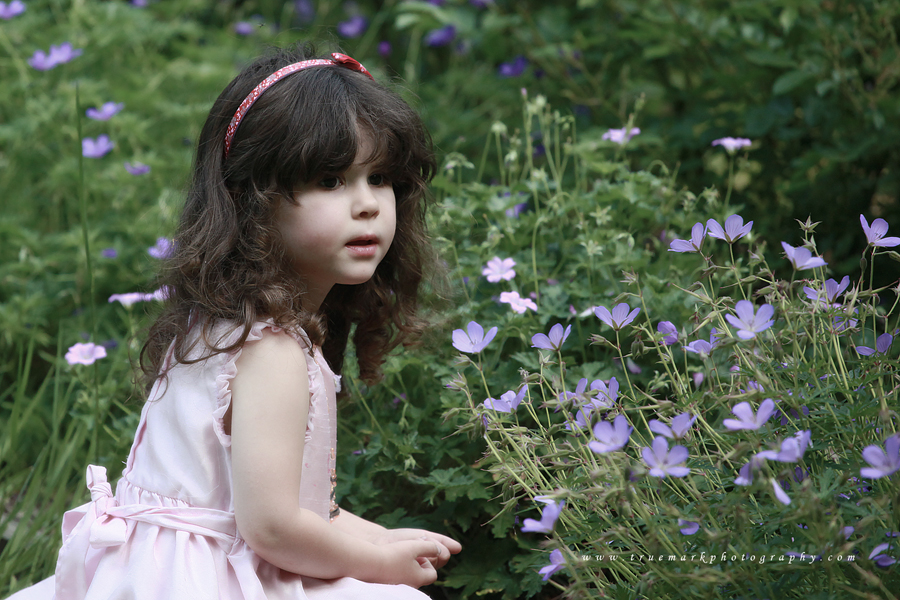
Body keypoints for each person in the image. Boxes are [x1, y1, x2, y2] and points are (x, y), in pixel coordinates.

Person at [7, 44, 461, 600]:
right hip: (199, 580)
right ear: (254, 202)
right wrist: (378, 566)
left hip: (156, 566)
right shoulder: (271, 349)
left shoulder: (224, 321)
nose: (368, 204)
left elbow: (289, 508)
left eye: (381, 177)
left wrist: (383, 539)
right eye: (330, 180)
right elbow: (271, 526)